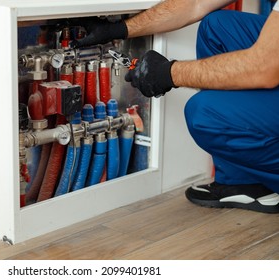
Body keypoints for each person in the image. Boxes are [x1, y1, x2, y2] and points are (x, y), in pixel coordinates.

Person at [72, 0, 279, 213]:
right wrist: (119, 29)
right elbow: (196, 3)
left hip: (268, 67)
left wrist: (167, 73)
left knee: (205, 114)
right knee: (218, 26)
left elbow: (265, 67)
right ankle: (242, 184)